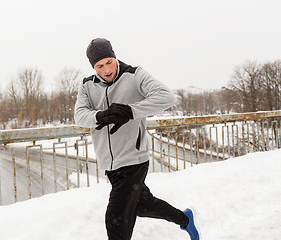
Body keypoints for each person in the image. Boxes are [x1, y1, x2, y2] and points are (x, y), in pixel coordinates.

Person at [74, 38, 200, 240]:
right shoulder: (87, 85)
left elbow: (167, 97)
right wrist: (101, 116)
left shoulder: (134, 74)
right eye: (100, 66)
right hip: (109, 163)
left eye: (109, 62)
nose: (106, 69)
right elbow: (79, 115)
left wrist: (130, 112)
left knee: (115, 220)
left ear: (114, 57)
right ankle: (185, 219)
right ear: (93, 67)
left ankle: (184, 220)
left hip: (134, 159)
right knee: (142, 204)